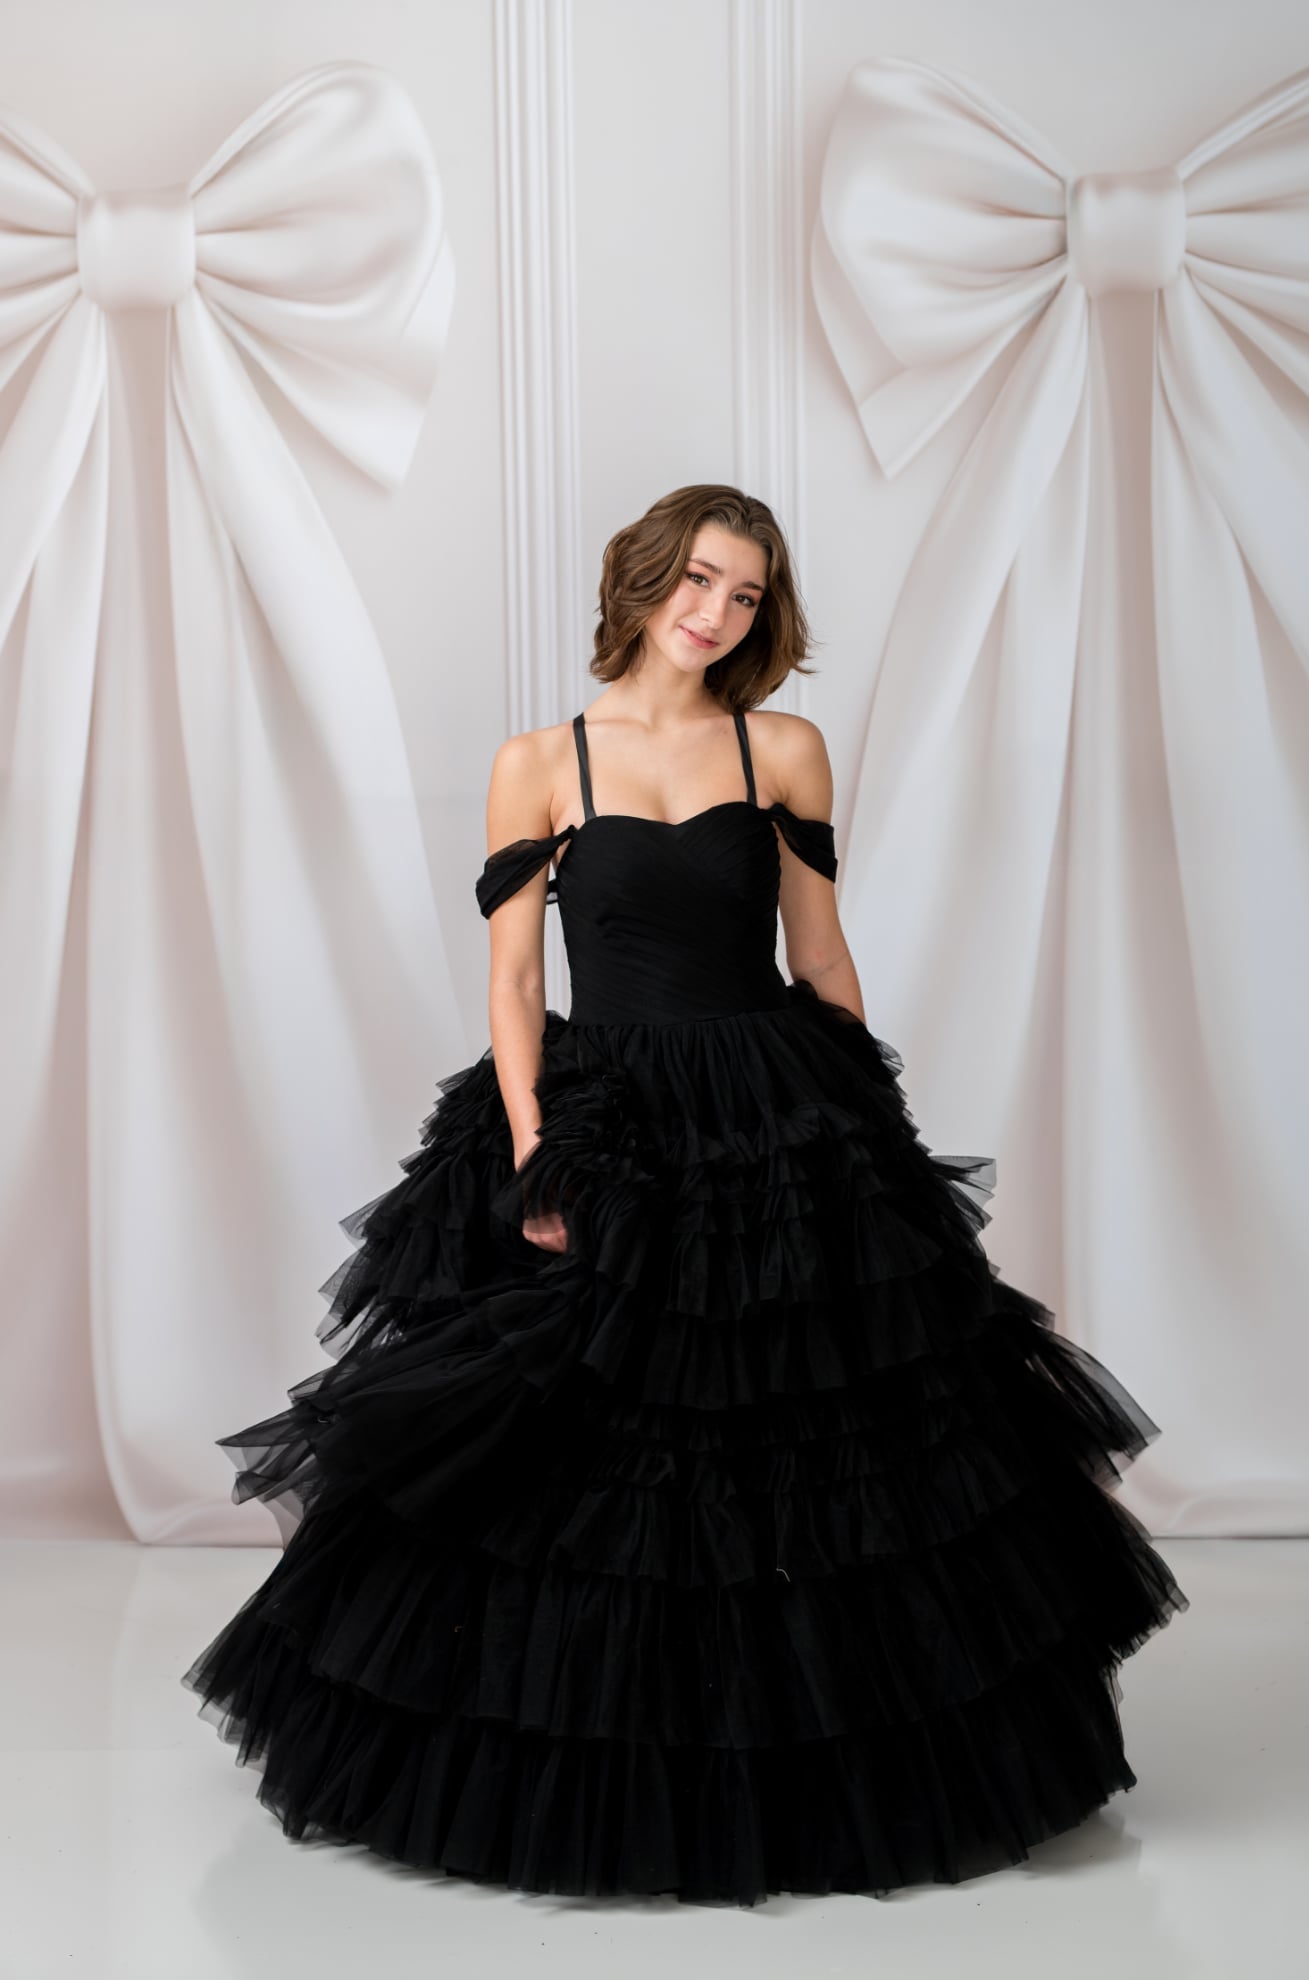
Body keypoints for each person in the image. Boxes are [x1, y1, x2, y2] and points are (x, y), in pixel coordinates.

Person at [183, 482, 1188, 1906]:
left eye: (746, 596)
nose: (716, 614)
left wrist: (865, 1115)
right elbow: (517, 984)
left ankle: (815, 1760)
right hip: (605, 1111)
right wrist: (537, 1149)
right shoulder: (541, 763)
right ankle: (589, 1761)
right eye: (700, 581)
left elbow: (822, 956)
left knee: (818, 1443)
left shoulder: (781, 748)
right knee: (580, 1447)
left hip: (771, 1098)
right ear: (647, 578)